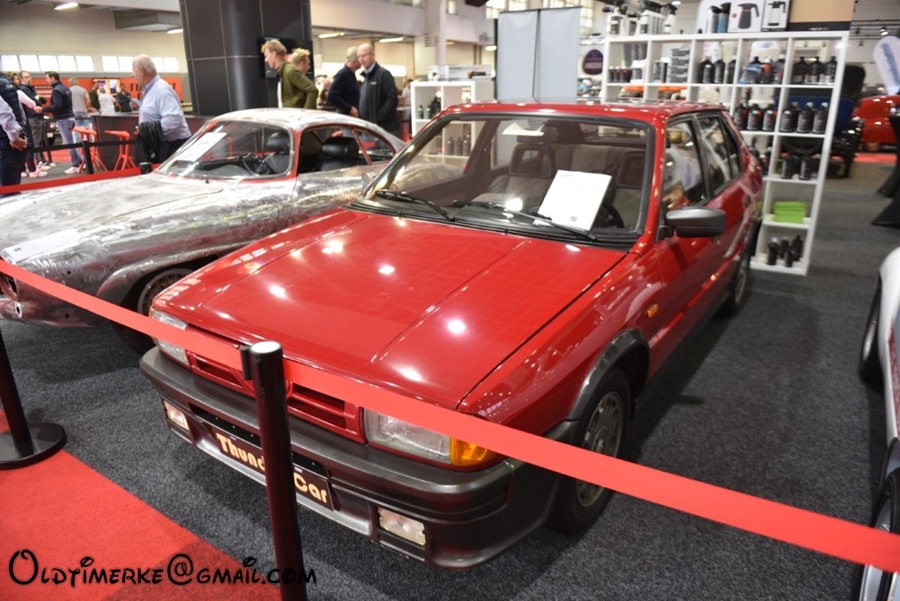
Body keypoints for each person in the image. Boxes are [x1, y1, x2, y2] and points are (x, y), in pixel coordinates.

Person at [132, 54, 191, 163]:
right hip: (164, 147)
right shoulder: (151, 90)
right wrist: (146, 130)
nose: (133, 75)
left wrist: (150, 131)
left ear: (141, 71)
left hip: (172, 148)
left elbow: (174, 119)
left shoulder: (161, 91)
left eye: (134, 71)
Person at [260, 39, 317, 109]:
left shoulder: (290, 71)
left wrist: (305, 112)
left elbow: (312, 90)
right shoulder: (282, 72)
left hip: (295, 114)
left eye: (266, 56)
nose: (266, 60)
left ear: (274, 54)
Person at [356, 43, 399, 136]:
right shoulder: (365, 77)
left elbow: (392, 99)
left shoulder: (383, 74)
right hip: (369, 129)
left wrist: (377, 118)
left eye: (364, 55)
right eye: (359, 56)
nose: (361, 59)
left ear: (373, 55)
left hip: (384, 130)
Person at [44, 71, 82, 174]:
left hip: (63, 119)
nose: (46, 80)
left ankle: (75, 165)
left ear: (53, 78)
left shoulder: (57, 90)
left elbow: (57, 106)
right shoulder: (65, 88)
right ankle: (81, 162)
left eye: (47, 78)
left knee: (69, 143)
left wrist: (44, 109)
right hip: (69, 117)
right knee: (70, 142)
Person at [12, 73, 45, 178]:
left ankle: (22, 169)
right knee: (28, 144)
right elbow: (32, 103)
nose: (18, 81)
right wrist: (36, 100)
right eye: (16, 79)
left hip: (11, 122)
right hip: (21, 120)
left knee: (16, 146)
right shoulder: (18, 91)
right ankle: (32, 170)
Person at [0, 73, 28, 193]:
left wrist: (14, 138)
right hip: (12, 138)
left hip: (6, 141)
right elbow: (19, 111)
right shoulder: (7, 82)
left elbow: (4, 113)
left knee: (8, 192)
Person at [18, 71, 51, 168]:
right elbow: (34, 102)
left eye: (29, 76)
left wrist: (37, 98)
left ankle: (42, 160)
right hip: (33, 116)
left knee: (40, 140)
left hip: (38, 116)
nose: (29, 78)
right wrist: (37, 98)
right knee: (36, 140)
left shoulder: (30, 88)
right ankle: (39, 161)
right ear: (21, 79)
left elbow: (43, 100)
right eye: (26, 77)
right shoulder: (23, 89)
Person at [327, 46, 361, 117]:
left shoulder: (350, 74)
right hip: (346, 116)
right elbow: (331, 95)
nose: (362, 60)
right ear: (355, 59)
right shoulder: (343, 74)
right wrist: (349, 108)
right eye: (360, 57)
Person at [69, 76, 92, 143]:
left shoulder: (69, 90)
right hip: (83, 109)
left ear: (70, 82)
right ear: (77, 82)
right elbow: (89, 100)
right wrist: (86, 107)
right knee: (87, 125)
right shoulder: (83, 89)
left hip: (74, 110)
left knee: (77, 126)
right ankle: (89, 139)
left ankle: (78, 141)